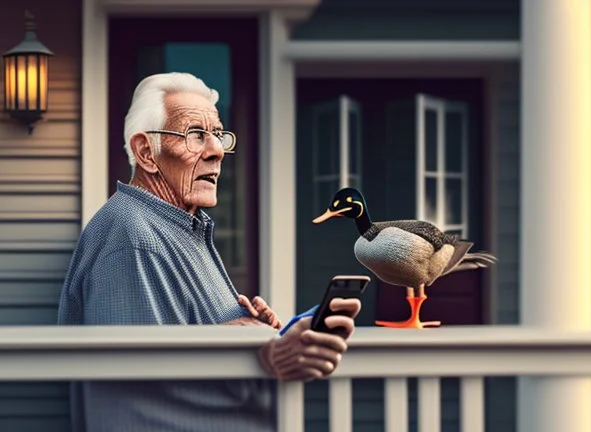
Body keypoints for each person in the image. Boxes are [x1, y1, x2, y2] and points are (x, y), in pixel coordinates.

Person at [56, 72, 362, 432]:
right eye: (195, 135)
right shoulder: (131, 236)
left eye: (218, 135)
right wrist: (261, 357)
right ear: (145, 152)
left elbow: (176, 349)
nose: (217, 151)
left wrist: (252, 333)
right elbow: (135, 390)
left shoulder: (179, 225)